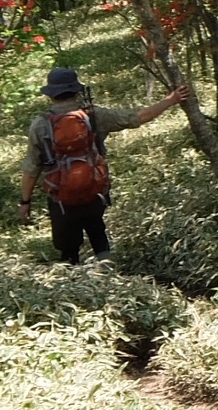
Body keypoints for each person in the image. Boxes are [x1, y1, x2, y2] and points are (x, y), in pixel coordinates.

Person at [18, 67, 189, 263]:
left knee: (68, 246)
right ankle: (109, 270)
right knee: (98, 232)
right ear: (76, 91)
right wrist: (171, 100)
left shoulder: (40, 125)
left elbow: (31, 168)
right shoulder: (93, 116)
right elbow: (138, 117)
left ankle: (73, 277)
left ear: (51, 95)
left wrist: (25, 202)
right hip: (94, 189)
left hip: (60, 198)